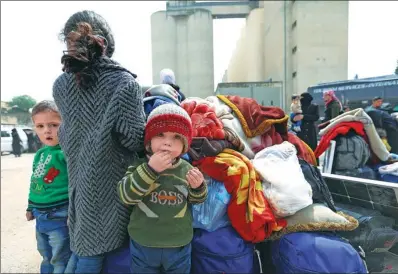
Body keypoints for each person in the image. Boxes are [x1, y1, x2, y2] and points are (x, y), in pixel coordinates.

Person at [52, 10, 146, 273]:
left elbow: (67, 134)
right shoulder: (123, 83)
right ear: (108, 44)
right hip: (111, 187)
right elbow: (135, 138)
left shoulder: (60, 85)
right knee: (95, 257)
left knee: (81, 248)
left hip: (78, 184)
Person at [117, 103, 208, 273]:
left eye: (176, 137)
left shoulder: (186, 169)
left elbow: (197, 201)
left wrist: (198, 187)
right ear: (149, 140)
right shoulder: (138, 165)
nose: (167, 142)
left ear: (184, 145)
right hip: (143, 241)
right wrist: (150, 170)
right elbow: (125, 196)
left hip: (179, 243)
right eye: (160, 135)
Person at [26, 100, 71, 273]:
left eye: (54, 125)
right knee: (45, 254)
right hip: (39, 215)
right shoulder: (40, 154)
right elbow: (35, 182)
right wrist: (30, 206)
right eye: (40, 126)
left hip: (59, 214)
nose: (47, 130)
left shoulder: (65, 153)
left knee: (60, 257)